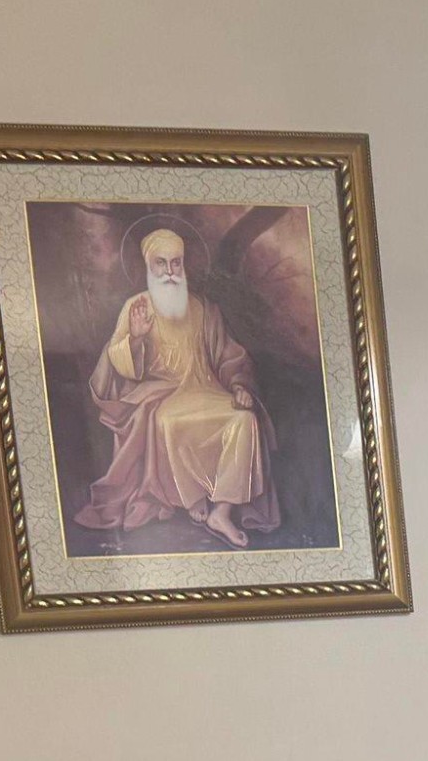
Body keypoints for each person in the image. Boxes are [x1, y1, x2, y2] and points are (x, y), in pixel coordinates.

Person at [77, 225, 280, 547]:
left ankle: (221, 511)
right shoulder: (136, 307)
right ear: (149, 265)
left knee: (244, 419)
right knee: (169, 422)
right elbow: (117, 365)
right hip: (160, 394)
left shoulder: (203, 309)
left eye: (176, 263)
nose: (170, 271)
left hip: (206, 390)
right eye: (162, 263)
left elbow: (229, 357)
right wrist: (136, 338)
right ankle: (192, 497)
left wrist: (239, 385)